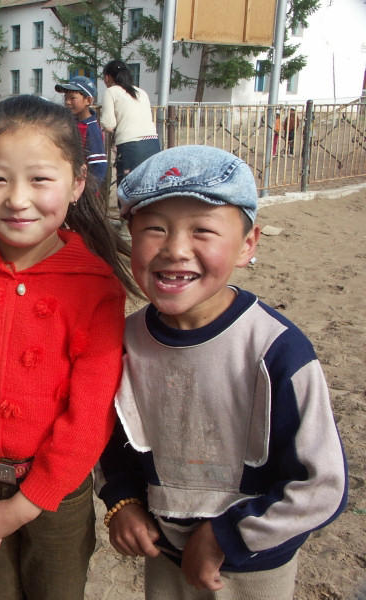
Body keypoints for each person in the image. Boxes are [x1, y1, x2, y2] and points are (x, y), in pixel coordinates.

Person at [0, 94, 139, 600]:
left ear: (77, 183)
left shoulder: (95, 287)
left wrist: (24, 505)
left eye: (40, 179)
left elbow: (90, 413)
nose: (17, 199)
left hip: (55, 496)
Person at [96, 145, 348, 599]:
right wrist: (122, 502)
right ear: (131, 237)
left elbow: (322, 485)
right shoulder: (123, 343)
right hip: (165, 557)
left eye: (203, 230)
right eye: (154, 228)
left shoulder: (277, 352)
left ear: (247, 245)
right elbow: (113, 440)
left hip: (253, 567)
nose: (174, 249)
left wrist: (225, 537)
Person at [100, 59, 160, 185]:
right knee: (148, 185)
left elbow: (108, 125)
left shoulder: (111, 91)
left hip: (131, 146)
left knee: (128, 187)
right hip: (152, 144)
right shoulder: (141, 92)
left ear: (107, 77)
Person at [55, 75, 108, 183]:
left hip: (82, 188)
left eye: (73, 98)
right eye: (66, 98)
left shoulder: (92, 129)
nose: (67, 102)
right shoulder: (69, 123)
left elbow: (98, 164)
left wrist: (90, 191)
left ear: (88, 100)